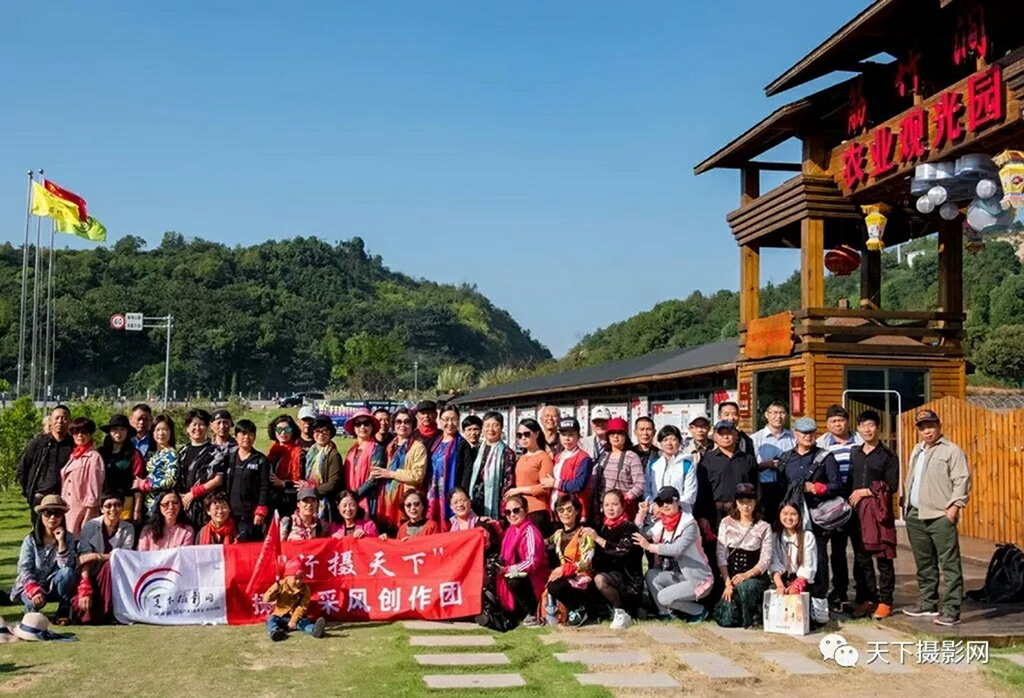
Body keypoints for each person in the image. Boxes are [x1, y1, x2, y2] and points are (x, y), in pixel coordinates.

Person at [902, 409, 971, 627]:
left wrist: (954, 508)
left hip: (940, 515)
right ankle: (928, 602)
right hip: (916, 514)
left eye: (931, 426)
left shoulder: (952, 451)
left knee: (949, 564)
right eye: (923, 427)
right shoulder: (917, 450)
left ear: (939, 426)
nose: (927, 431)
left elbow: (962, 480)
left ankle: (951, 609)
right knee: (924, 563)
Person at [778, 417, 841, 625]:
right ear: (795, 435)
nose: (808, 436)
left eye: (812, 433)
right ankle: (793, 600)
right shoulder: (786, 458)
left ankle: (819, 606)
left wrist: (817, 488)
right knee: (791, 557)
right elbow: (780, 488)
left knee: (818, 559)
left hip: (816, 516)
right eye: (804, 433)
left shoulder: (825, 457)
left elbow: (837, 485)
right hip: (791, 518)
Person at [847, 410, 899, 620]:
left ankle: (886, 601)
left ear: (878, 428)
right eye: (863, 426)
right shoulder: (855, 453)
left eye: (871, 425)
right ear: (858, 429)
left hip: (879, 513)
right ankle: (868, 598)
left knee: (883, 556)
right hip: (857, 512)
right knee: (861, 558)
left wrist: (865, 492)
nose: (867, 430)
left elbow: (892, 485)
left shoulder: (888, 456)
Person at [633, 486, 713, 622]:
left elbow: (677, 549)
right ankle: (665, 613)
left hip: (697, 579)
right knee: (651, 575)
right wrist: (641, 514)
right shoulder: (661, 523)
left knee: (663, 597)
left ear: (678, 501)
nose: (665, 505)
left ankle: (699, 611)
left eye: (669, 501)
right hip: (677, 575)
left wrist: (650, 547)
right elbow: (641, 534)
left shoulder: (689, 524)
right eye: (660, 502)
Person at [816, 404, 863, 611]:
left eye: (841, 420)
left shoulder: (860, 442)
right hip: (834, 503)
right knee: (837, 550)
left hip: (859, 501)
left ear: (847, 422)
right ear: (827, 424)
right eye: (833, 421)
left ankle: (863, 591)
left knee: (861, 549)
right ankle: (839, 590)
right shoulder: (822, 445)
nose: (837, 424)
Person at [582, 490, 643, 630]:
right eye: (607, 505)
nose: (610, 508)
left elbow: (621, 551)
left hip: (627, 579)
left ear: (623, 506)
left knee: (600, 580)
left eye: (615, 504)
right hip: (607, 574)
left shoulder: (630, 527)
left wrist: (598, 539)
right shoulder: (602, 527)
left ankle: (621, 612)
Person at [714, 483, 773, 628]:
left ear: (755, 502)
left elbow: (766, 559)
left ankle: (753, 615)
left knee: (746, 588)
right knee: (726, 619)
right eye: (742, 502)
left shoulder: (764, 527)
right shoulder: (726, 523)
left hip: (754, 576)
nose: (746, 506)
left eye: (749, 501)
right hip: (731, 576)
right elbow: (721, 554)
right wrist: (727, 582)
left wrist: (747, 574)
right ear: (736, 503)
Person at [11, 495, 77, 624]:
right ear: (41, 515)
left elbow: (67, 567)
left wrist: (61, 543)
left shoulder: (68, 538)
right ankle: (31, 611)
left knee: (68, 572)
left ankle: (64, 609)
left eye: (57, 513)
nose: (52, 518)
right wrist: (34, 589)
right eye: (48, 513)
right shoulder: (30, 540)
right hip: (31, 585)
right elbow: (24, 568)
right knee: (33, 608)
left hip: (54, 584)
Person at [73, 491, 135, 624]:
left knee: (110, 565)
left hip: (117, 576)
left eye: (117, 505)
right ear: (102, 509)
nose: (113, 509)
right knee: (81, 610)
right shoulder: (90, 527)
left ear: (122, 507)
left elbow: (123, 556)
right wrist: (85, 585)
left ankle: (111, 611)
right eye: (108, 506)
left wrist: (96, 556)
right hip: (91, 573)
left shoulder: (128, 528)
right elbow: (84, 558)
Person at [368, 408, 427, 534]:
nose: (402, 425)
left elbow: (418, 476)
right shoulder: (390, 446)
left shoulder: (418, 447)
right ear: (394, 424)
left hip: (406, 500)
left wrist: (391, 473)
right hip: (386, 499)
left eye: (407, 422)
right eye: (398, 422)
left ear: (412, 425)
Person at [495, 494, 550, 627]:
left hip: (535, 579)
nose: (512, 515)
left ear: (525, 511)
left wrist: (508, 570)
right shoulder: (510, 531)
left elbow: (532, 562)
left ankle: (533, 612)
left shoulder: (530, 531)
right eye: (508, 512)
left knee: (514, 581)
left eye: (516, 510)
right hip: (519, 575)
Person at [695, 420, 758, 530]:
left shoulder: (747, 459)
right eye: (721, 434)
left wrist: (756, 512)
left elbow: (757, 487)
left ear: (736, 435)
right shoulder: (707, 460)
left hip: (743, 512)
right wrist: (702, 516)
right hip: (715, 514)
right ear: (715, 437)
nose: (725, 437)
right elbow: (701, 491)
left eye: (729, 433)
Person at [542, 495, 594, 627]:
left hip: (581, 579)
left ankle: (577, 609)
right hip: (564, 577)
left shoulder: (585, 534)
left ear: (577, 511)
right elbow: (543, 543)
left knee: (555, 586)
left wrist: (565, 569)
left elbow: (587, 562)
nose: (565, 513)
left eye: (569, 510)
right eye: (561, 510)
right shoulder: (558, 534)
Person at [17, 404, 73, 518]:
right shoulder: (38, 444)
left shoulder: (73, 446)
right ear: (51, 421)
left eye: (64, 418)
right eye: (57, 418)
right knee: (39, 528)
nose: (60, 421)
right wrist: (29, 493)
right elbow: (23, 469)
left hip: (65, 499)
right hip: (40, 497)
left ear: (69, 422)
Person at [177, 409, 227, 530]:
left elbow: (218, 480)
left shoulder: (215, 452)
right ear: (187, 428)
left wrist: (194, 494)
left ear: (207, 427)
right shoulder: (182, 452)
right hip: (183, 505)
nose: (197, 428)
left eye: (201, 425)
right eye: (194, 424)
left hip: (205, 507)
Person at [589, 418, 644, 522]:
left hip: (624, 510)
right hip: (604, 510)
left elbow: (640, 485)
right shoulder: (603, 456)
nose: (615, 436)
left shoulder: (632, 457)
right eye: (612, 433)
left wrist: (625, 498)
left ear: (625, 436)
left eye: (619, 433)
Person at [463, 411, 516, 520]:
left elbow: (508, 480)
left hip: (495, 501)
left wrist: (504, 502)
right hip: (474, 500)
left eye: (495, 425)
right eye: (487, 425)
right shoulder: (476, 450)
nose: (490, 429)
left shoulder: (507, 452)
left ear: (501, 427)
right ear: (482, 428)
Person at [225, 419, 271, 542]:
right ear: (236, 437)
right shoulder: (229, 458)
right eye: (243, 433)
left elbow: (265, 487)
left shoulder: (260, 460)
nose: (246, 437)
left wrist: (261, 510)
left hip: (251, 515)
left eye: (250, 434)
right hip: (230, 514)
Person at [751, 400, 795, 526]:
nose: (778, 416)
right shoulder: (755, 439)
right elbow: (750, 466)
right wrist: (765, 465)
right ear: (767, 415)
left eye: (782, 413)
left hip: (788, 487)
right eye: (775, 413)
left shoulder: (793, 438)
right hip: (765, 488)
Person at [60, 417, 104, 537]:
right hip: (68, 509)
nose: (79, 435)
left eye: (84, 432)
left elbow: (94, 491)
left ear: (91, 434)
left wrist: (88, 516)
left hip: (81, 512)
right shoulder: (74, 455)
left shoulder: (94, 457)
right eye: (75, 432)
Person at [507, 418, 554, 532]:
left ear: (537, 434)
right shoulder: (521, 458)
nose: (523, 438)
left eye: (527, 434)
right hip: (520, 510)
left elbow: (545, 488)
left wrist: (519, 490)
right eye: (519, 435)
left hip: (536, 510)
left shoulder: (544, 457)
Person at [263, 558, 327, 641]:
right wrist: (274, 589)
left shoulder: (305, 589)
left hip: (296, 617)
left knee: (304, 623)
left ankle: (315, 630)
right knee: (271, 620)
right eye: (295, 578)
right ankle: (276, 632)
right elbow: (267, 599)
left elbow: (303, 606)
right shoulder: (280, 585)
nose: (298, 581)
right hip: (280, 616)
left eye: (301, 578)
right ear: (287, 577)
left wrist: (294, 620)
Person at [97, 415, 145, 524]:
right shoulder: (101, 453)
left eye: (122, 429)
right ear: (109, 432)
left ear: (127, 432)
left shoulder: (134, 454)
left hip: (125, 503)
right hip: (104, 502)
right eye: (115, 429)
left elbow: (138, 484)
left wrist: (137, 510)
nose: (118, 433)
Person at [424, 405, 465, 530]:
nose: (450, 423)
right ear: (440, 421)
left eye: (454, 419)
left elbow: (466, 473)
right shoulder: (434, 442)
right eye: (446, 419)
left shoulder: (462, 444)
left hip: (451, 492)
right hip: (433, 491)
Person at [644, 425, 697, 521]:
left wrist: (671, 508)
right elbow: (646, 490)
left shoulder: (687, 464)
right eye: (665, 440)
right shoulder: (653, 465)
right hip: (656, 516)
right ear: (660, 443)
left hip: (680, 516)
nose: (669, 443)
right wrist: (654, 506)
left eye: (673, 439)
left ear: (679, 442)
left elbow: (690, 495)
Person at [546, 417, 592, 521]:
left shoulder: (584, 458)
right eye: (563, 435)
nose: (567, 438)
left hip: (574, 514)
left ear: (578, 436)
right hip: (556, 512)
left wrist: (555, 483)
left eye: (571, 435)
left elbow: (579, 485)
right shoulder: (558, 457)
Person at [343, 408, 386, 519]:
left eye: (366, 423)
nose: (362, 427)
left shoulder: (377, 449)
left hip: (368, 499)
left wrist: (356, 494)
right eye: (358, 424)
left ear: (372, 427)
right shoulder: (351, 451)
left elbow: (374, 478)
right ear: (354, 428)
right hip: (350, 500)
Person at [769, 502, 817, 599]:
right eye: (785, 514)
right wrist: (780, 586)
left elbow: (808, 565)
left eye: (793, 514)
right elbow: (774, 563)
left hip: (801, 581)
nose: (789, 518)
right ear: (779, 515)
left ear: (799, 516)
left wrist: (796, 586)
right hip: (780, 579)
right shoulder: (774, 537)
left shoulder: (807, 536)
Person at [134, 414, 178, 515]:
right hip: (147, 503)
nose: (161, 433)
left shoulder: (171, 454)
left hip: (160, 504)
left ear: (171, 432)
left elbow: (171, 480)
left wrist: (145, 484)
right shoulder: (152, 453)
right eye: (157, 430)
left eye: (165, 430)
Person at [304, 416, 344, 523]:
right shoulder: (310, 453)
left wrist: (311, 490)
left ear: (330, 433)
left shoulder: (334, 455)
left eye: (325, 431)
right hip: (309, 500)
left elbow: (333, 483)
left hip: (325, 502)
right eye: (317, 431)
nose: (321, 434)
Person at [267, 414, 303, 517]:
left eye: (287, 429)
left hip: (291, 501)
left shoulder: (300, 454)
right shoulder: (271, 452)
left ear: (292, 431)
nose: (283, 433)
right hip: (272, 500)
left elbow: (301, 482)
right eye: (279, 429)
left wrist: (283, 483)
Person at [459, 414, 484, 485]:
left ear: (481, 430)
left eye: (476, 429)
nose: (473, 433)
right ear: (463, 431)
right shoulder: (459, 448)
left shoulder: (484, 449)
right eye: (469, 430)